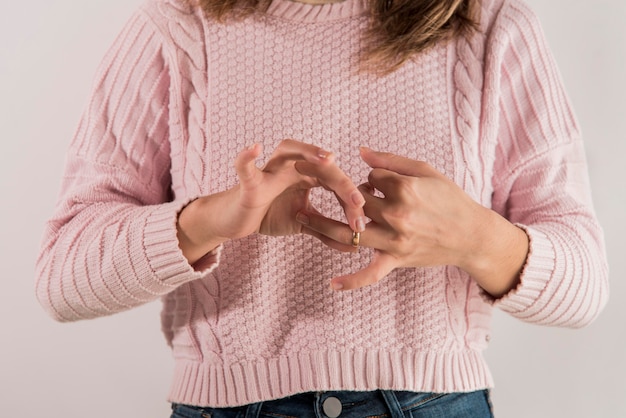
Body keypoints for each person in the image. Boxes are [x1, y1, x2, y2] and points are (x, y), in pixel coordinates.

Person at [35, 0, 609, 416]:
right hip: (229, 407)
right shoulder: (177, 28)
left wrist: (476, 238)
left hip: (438, 403)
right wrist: (213, 218)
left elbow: (586, 285)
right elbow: (62, 275)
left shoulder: (491, 26)